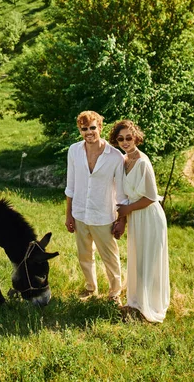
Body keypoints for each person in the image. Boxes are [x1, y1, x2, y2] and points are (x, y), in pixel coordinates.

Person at [109, 119, 170, 323]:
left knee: (149, 261)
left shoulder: (143, 162)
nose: (125, 142)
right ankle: (135, 302)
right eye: (121, 139)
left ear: (136, 137)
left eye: (129, 137)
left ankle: (149, 306)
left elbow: (151, 197)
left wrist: (128, 210)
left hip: (149, 216)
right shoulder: (124, 161)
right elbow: (124, 198)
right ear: (116, 140)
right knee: (137, 259)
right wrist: (122, 220)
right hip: (136, 216)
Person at [65, 110, 126, 302]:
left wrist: (121, 220)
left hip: (103, 217)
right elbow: (71, 185)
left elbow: (123, 194)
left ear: (100, 127)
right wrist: (69, 215)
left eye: (92, 127)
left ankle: (115, 293)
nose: (89, 132)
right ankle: (90, 289)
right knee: (84, 255)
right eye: (84, 129)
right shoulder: (74, 151)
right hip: (80, 213)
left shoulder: (115, 157)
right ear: (80, 130)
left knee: (110, 258)